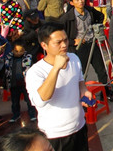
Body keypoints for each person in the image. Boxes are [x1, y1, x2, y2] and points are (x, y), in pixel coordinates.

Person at [25, 22, 93, 151]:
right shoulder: (35, 72)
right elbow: (41, 99)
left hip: (79, 126)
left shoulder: (73, 58)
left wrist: (84, 90)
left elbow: (80, 80)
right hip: (55, 135)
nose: (64, 45)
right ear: (44, 45)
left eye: (66, 40)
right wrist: (56, 68)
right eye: (58, 42)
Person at [59, 0, 108, 93]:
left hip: (92, 43)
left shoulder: (89, 10)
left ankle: (106, 91)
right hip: (80, 47)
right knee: (81, 73)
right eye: (77, 0)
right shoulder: (67, 18)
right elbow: (62, 35)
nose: (81, 1)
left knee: (101, 69)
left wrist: (96, 27)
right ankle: (80, 94)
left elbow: (101, 16)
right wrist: (73, 41)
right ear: (72, 3)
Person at [4, 40, 37, 123]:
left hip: (25, 83)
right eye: (16, 51)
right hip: (14, 83)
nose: (18, 53)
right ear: (12, 50)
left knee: (29, 100)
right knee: (15, 101)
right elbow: (6, 70)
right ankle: (16, 114)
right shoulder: (9, 59)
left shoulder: (28, 58)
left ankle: (32, 114)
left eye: (21, 51)